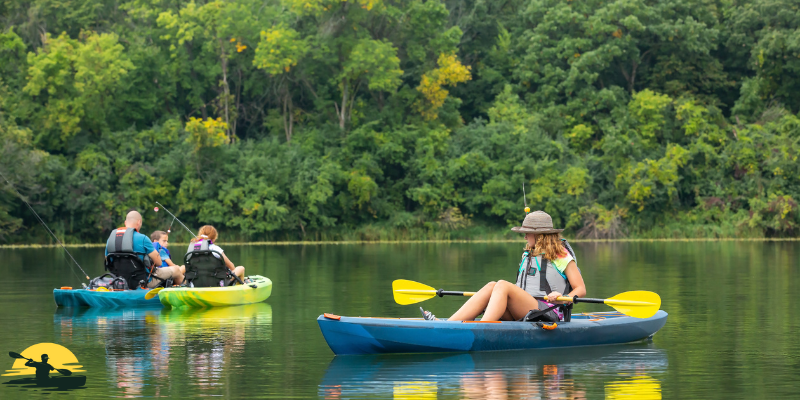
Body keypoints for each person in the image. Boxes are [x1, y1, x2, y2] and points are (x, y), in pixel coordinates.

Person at [423, 210, 586, 322]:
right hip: (527, 310)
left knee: (501, 285)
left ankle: (481, 328)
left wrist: (562, 297)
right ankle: (449, 324)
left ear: (539, 235)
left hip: (548, 312)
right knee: (492, 286)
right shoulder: (528, 254)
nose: (524, 237)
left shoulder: (562, 255)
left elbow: (581, 289)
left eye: (526, 233)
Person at [105, 210, 170, 288]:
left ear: (125, 222)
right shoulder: (143, 238)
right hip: (143, 281)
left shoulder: (111, 239)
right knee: (176, 270)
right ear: (139, 222)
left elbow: (107, 260)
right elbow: (159, 262)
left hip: (118, 281)